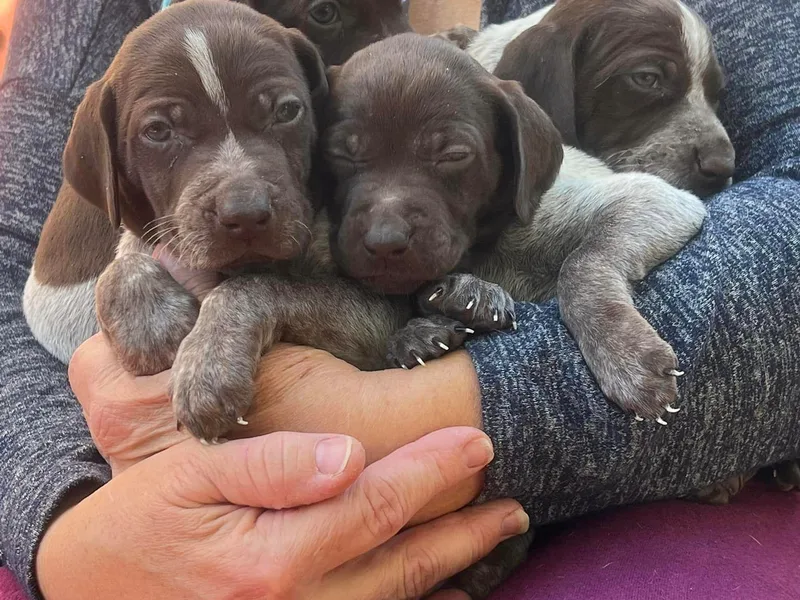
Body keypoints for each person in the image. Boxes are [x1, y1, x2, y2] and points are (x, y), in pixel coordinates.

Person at [1, 0, 798, 598]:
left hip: (572, 484)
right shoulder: (108, 29)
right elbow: (11, 266)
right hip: (143, 503)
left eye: (285, 113)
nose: (382, 49)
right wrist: (72, 538)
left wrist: (421, 419)